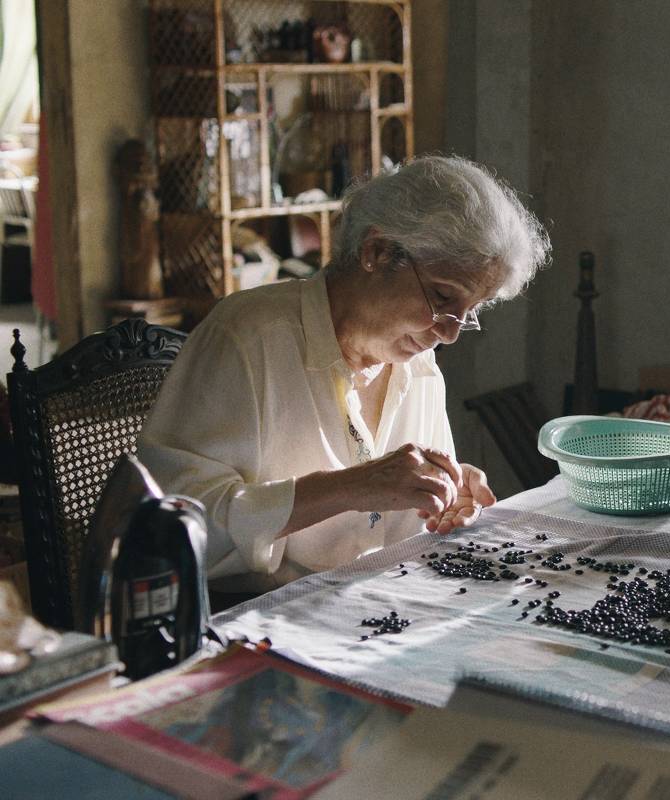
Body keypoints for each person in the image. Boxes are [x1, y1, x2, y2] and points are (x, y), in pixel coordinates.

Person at [138, 155, 551, 592]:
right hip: (250, 621)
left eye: (469, 312)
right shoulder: (248, 338)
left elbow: (398, 515)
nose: (449, 333)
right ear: (376, 251)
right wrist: (349, 487)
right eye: (441, 296)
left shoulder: (417, 362)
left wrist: (442, 493)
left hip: (369, 608)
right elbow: (168, 531)